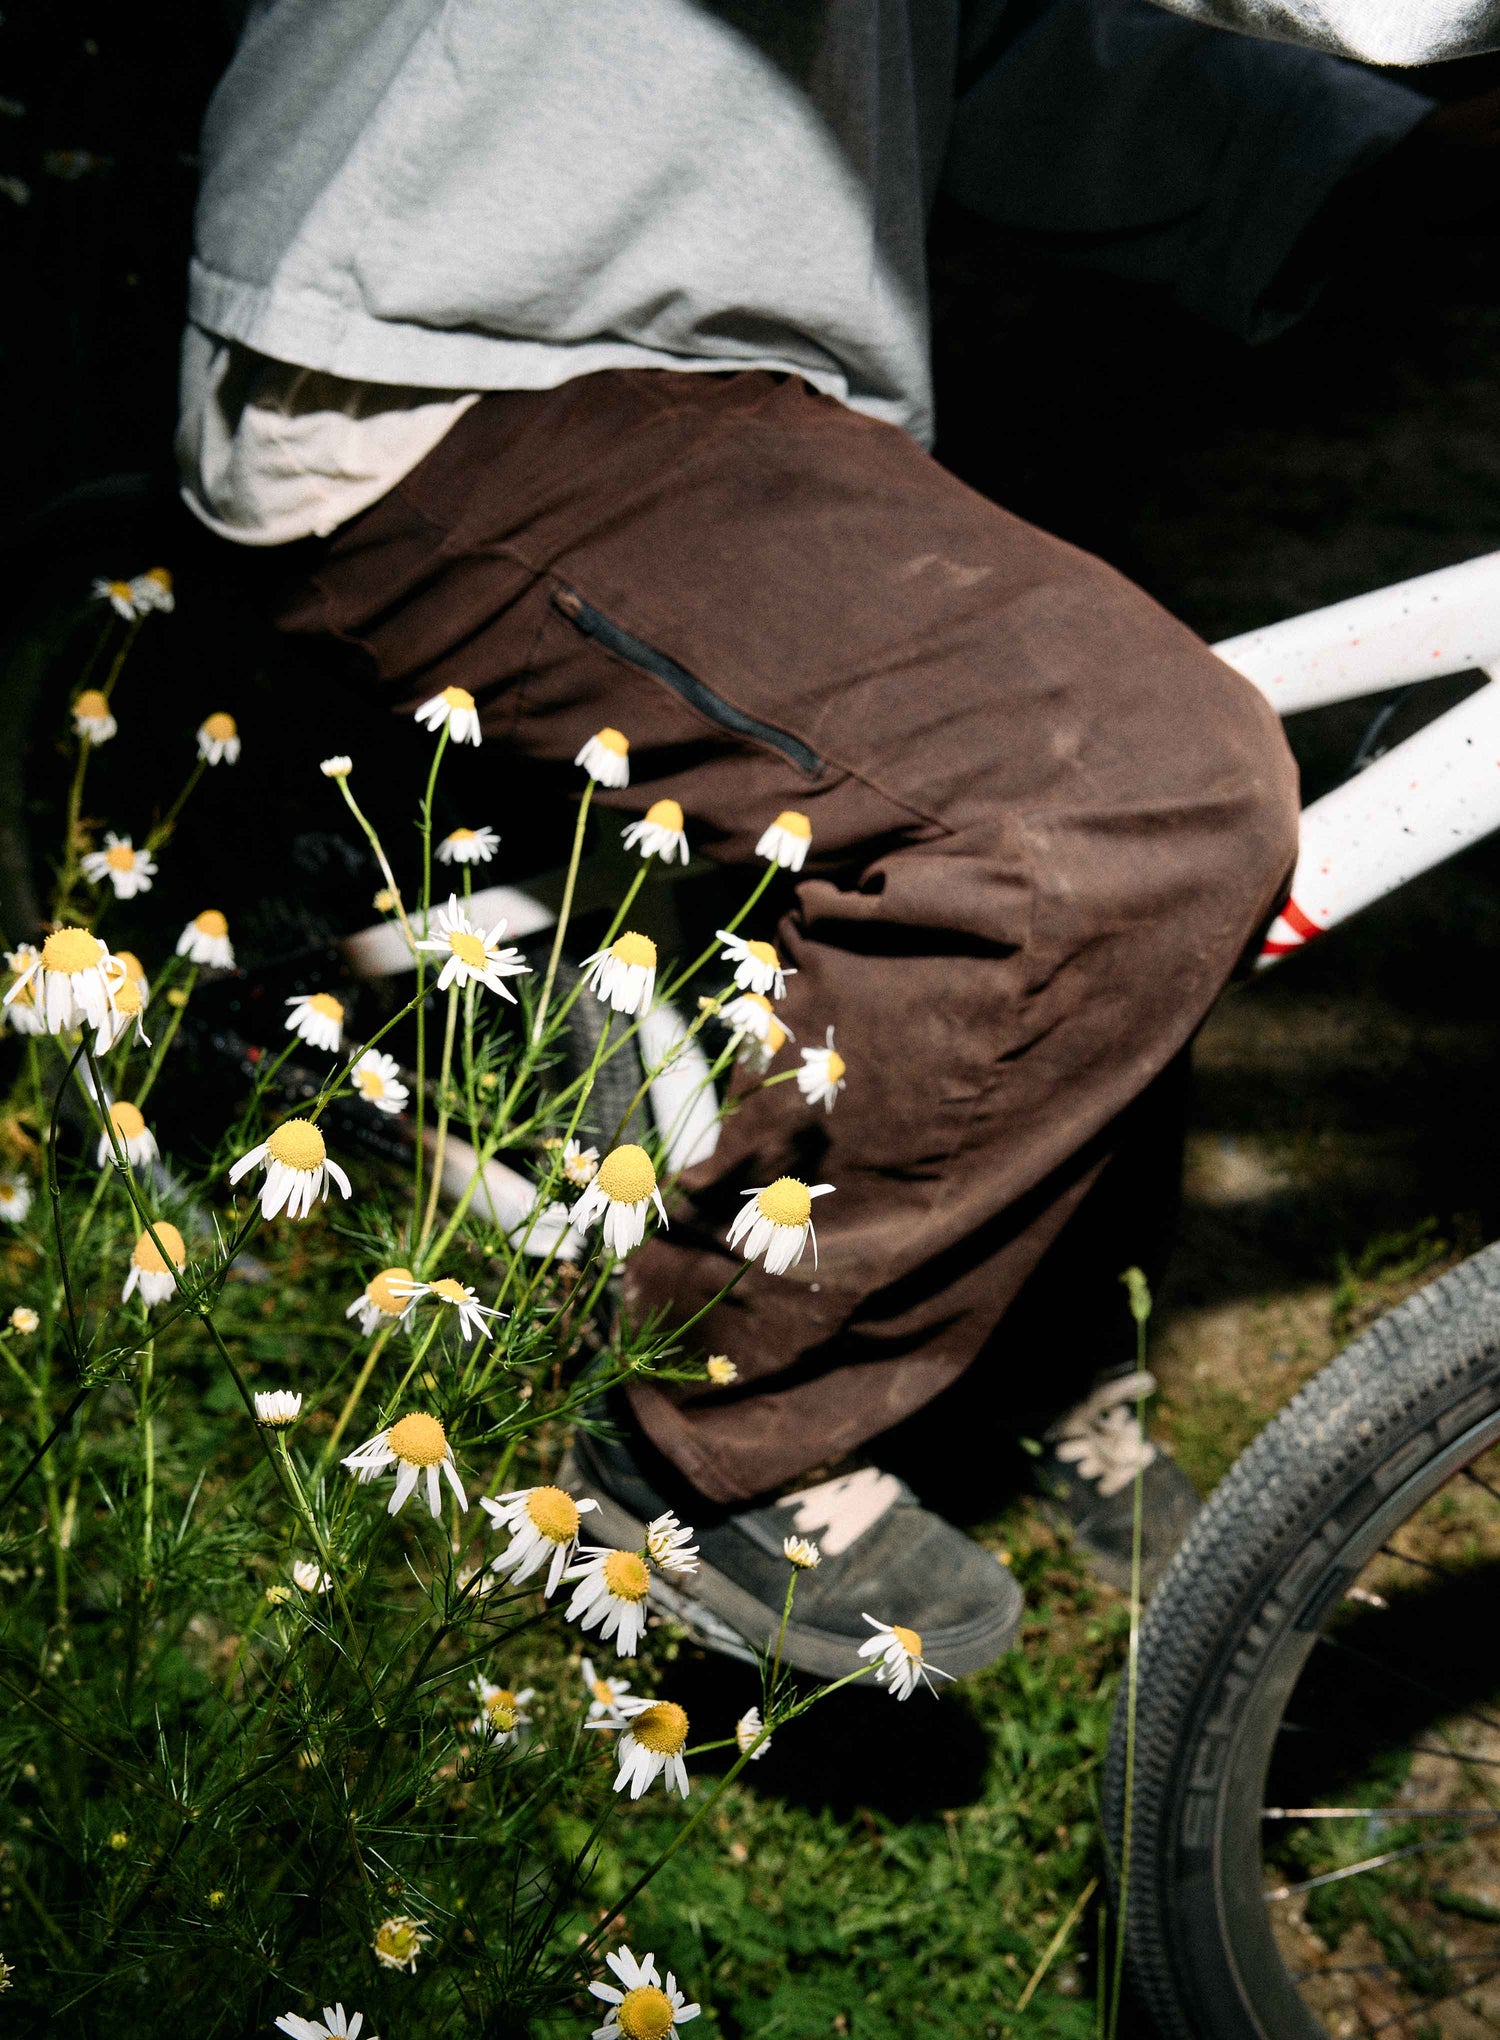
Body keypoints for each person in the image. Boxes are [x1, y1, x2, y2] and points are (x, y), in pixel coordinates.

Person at [178, 0, 1500, 1681]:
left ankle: (1021, 1341)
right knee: (1119, 801)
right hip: (456, 347)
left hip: (725, 359)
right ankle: (700, 1424)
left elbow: (991, 54)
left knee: (1091, 746)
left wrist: (1382, 164)